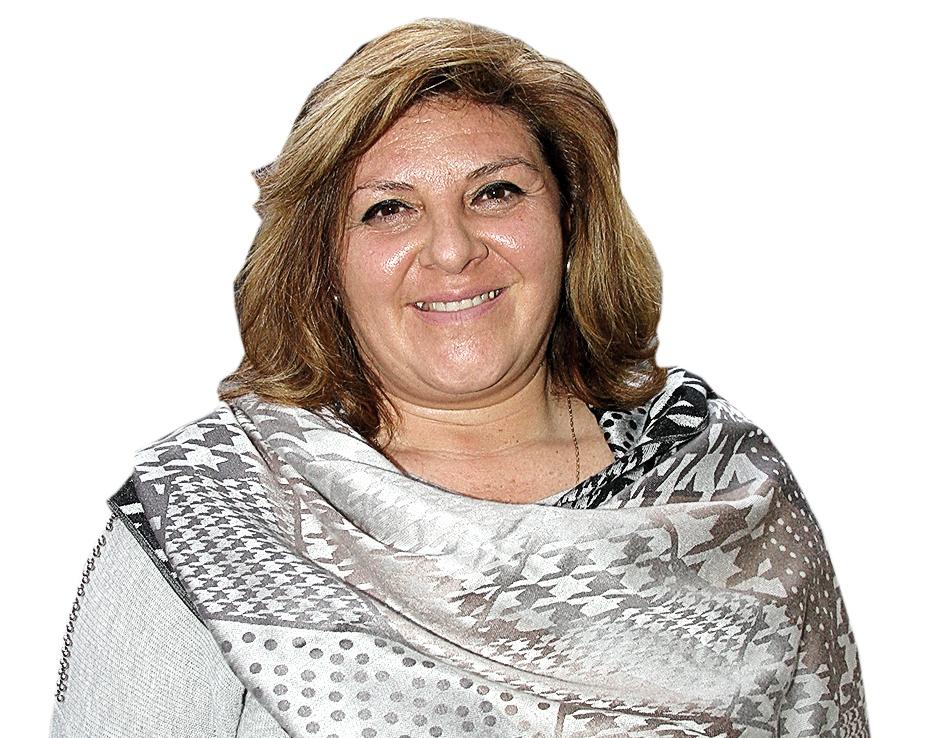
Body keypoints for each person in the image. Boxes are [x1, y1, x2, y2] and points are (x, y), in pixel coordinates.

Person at [48, 17, 870, 738]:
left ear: (570, 223)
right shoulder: (217, 513)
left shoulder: (725, 493)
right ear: (324, 261)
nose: (451, 250)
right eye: (388, 208)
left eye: (495, 193)